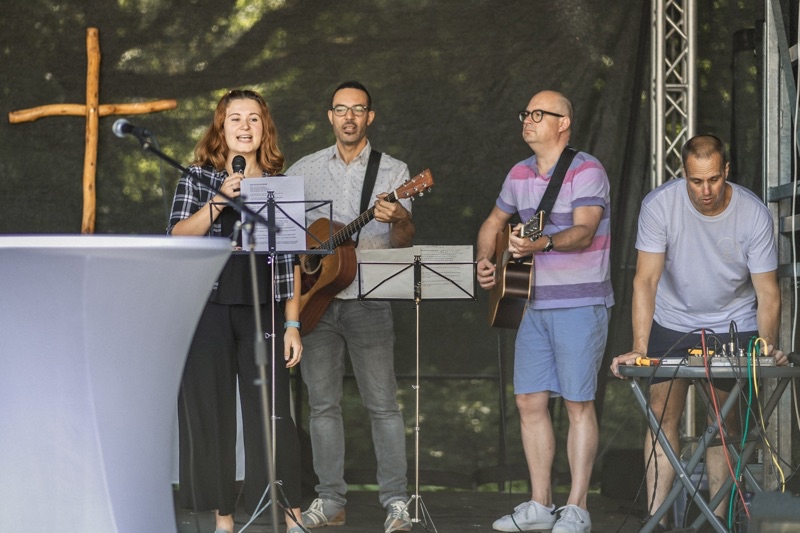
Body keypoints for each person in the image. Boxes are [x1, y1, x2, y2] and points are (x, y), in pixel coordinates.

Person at [611, 134, 787, 530]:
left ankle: (716, 520)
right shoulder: (659, 206)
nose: (705, 191)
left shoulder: (754, 213)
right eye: (695, 181)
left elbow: (767, 291)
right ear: (683, 174)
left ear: (726, 171)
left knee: (722, 423)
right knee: (659, 416)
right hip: (672, 321)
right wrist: (640, 346)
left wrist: (766, 345)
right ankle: (656, 518)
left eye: (713, 180)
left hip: (734, 324)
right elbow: (645, 281)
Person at [476, 90, 613, 533]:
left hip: (579, 302)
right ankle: (539, 505)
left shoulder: (586, 169)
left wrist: (542, 243)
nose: (528, 120)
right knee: (529, 400)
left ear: (563, 123)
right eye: (526, 113)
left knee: (577, 403)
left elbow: (586, 230)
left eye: (540, 114)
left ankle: (576, 507)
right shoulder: (518, 173)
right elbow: (494, 223)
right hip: (529, 300)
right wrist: (485, 260)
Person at [168, 89, 304, 533]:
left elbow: (292, 262)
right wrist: (220, 200)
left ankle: (289, 511)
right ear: (220, 128)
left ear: (265, 129)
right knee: (212, 413)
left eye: (253, 120)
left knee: (273, 414)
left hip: (263, 309)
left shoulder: (281, 185)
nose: (244, 127)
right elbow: (177, 237)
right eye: (235, 119)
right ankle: (223, 518)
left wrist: (292, 324)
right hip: (206, 310)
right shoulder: (196, 177)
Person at [285, 80, 414, 533]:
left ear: (370, 117)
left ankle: (397, 503)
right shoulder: (303, 169)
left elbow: (402, 242)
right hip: (316, 301)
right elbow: (289, 237)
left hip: (369, 302)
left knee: (383, 405)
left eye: (358, 110)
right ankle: (330, 501)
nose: (349, 117)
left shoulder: (395, 171)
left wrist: (398, 218)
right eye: (341, 109)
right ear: (330, 116)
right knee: (322, 407)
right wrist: (307, 262)